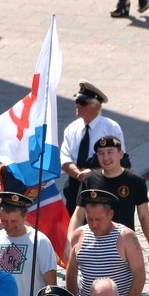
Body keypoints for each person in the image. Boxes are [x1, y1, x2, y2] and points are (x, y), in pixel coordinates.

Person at [69, 137, 149, 265]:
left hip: (123, 245)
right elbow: (78, 214)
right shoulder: (90, 179)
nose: (106, 158)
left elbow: (144, 217)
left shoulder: (136, 181)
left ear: (120, 154)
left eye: (110, 152)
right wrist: (70, 242)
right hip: (93, 245)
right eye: (101, 153)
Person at [66, 188, 147, 296]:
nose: (94, 224)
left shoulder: (125, 237)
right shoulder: (79, 235)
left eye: (98, 219)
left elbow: (139, 273)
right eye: (89, 219)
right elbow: (71, 272)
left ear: (110, 214)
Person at [60, 82, 124, 213]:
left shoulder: (111, 128)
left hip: (103, 187)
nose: (77, 105)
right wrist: (79, 174)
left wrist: (93, 174)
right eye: (77, 101)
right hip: (75, 189)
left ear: (97, 106)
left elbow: (121, 159)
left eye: (83, 103)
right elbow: (64, 160)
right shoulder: (71, 129)